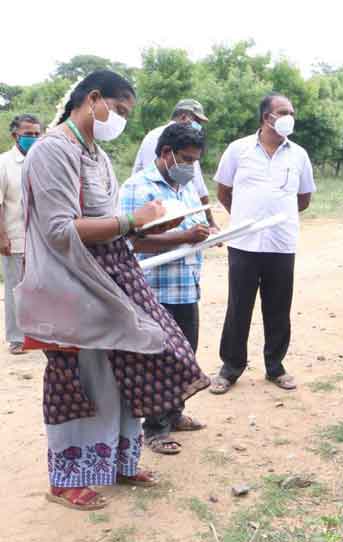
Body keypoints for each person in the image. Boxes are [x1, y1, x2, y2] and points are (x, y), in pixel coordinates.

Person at [18, 70, 210, 510]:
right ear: (94, 98)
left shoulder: (98, 156)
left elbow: (109, 225)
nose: (120, 119)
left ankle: (120, 462)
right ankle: (66, 479)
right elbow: (59, 231)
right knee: (79, 380)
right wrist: (132, 222)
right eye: (119, 110)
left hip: (110, 278)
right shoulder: (52, 151)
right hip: (70, 286)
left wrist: (148, 225)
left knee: (126, 370)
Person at [209, 92, 316, 394]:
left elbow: (304, 198)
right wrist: (246, 218)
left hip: (282, 244)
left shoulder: (299, 155)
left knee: (279, 308)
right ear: (265, 117)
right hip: (243, 243)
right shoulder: (238, 150)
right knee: (238, 307)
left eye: (291, 112)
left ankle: (275, 366)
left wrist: (278, 217)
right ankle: (230, 368)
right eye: (282, 112)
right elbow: (223, 191)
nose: (288, 117)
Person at [120, 123, 216, 455]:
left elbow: (192, 227)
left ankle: (174, 414)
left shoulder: (183, 186)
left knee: (185, 354)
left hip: (186, 285)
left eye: (195, 161)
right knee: (159, 360)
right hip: (154, 290)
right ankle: (156, 428)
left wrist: (203, 236)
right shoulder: (138, 187)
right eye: (186, 159)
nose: (190, 167)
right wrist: (184, 238)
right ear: (165, 154)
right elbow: (131, 240)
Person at [132, 99, 217, 229]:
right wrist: (211, 223)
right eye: (197, 123)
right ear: (184, 117)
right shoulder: (181, 143)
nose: (198, 129)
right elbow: (199, 187)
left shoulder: (152, 135)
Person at [0, 114, 41, 354]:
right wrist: (2, 236)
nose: (33, 138)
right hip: (14, 236)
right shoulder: (4, 163)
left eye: (37, 134)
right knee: (15, 287)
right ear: (15, 135)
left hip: (41, 239)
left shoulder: (42, 160)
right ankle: (16, 338)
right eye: (28, 134)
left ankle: (37, 335)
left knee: (40, 287)